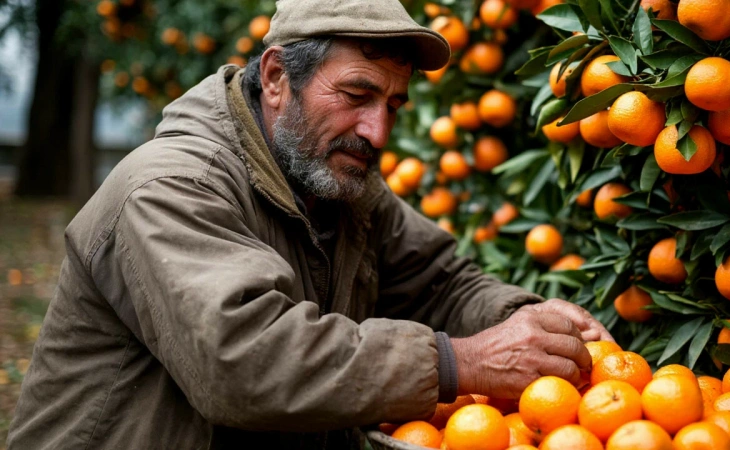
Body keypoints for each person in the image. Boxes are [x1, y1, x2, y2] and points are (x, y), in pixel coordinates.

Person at [8, 0, 612, 448]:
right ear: (276, 78)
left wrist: (528, 324)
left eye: (393, 106)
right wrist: (462, 362)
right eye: (356, 94)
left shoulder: (338, 183)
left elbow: (440, 282)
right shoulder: (171, 186)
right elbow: (242, 361)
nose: (377, 132)